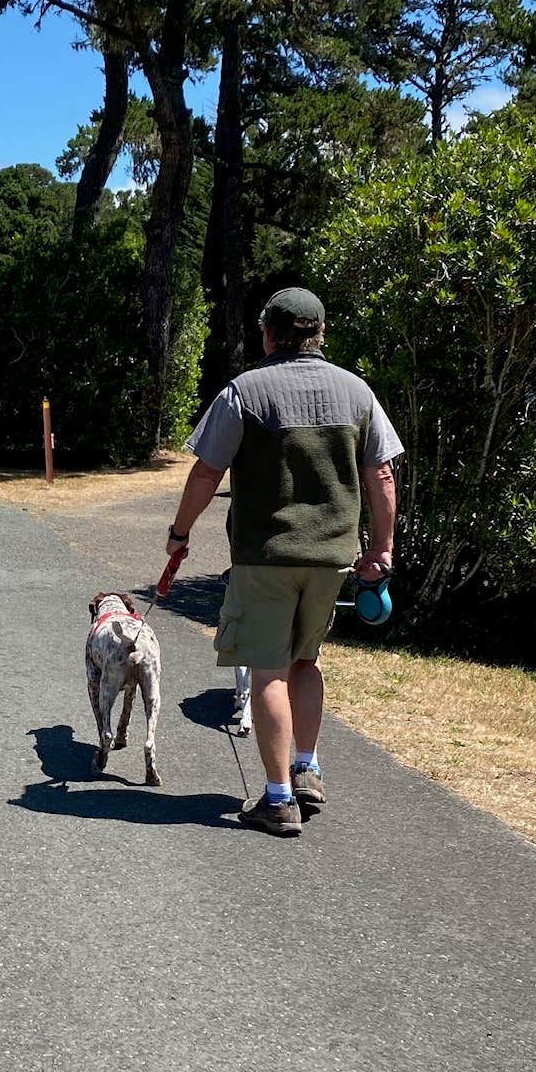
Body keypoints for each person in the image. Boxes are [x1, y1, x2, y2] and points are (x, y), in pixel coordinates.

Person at [164, 287, 402, 836]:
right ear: (320, 333)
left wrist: (180, 533)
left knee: (267, 670)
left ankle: (276, 801)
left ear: (269, 334)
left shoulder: (244, 391)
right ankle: (307, 768)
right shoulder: (357, 392)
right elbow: (382, 473)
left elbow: (206, 472)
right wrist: (381, 549)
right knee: (306, 662)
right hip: (332, 558)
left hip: (266, 556)